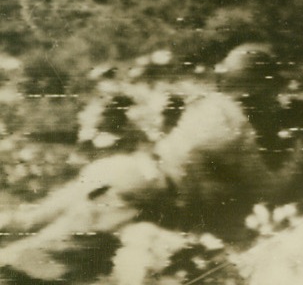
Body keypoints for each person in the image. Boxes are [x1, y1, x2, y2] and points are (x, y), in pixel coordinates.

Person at [0, 43, 285, 282]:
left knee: (27, 222)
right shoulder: (237, 130)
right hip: (142, 192)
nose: (276, 98)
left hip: (123, 170)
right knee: (29, 260)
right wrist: (295, 163)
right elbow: (267, 189)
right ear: (258, 88)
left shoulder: (209, 103)